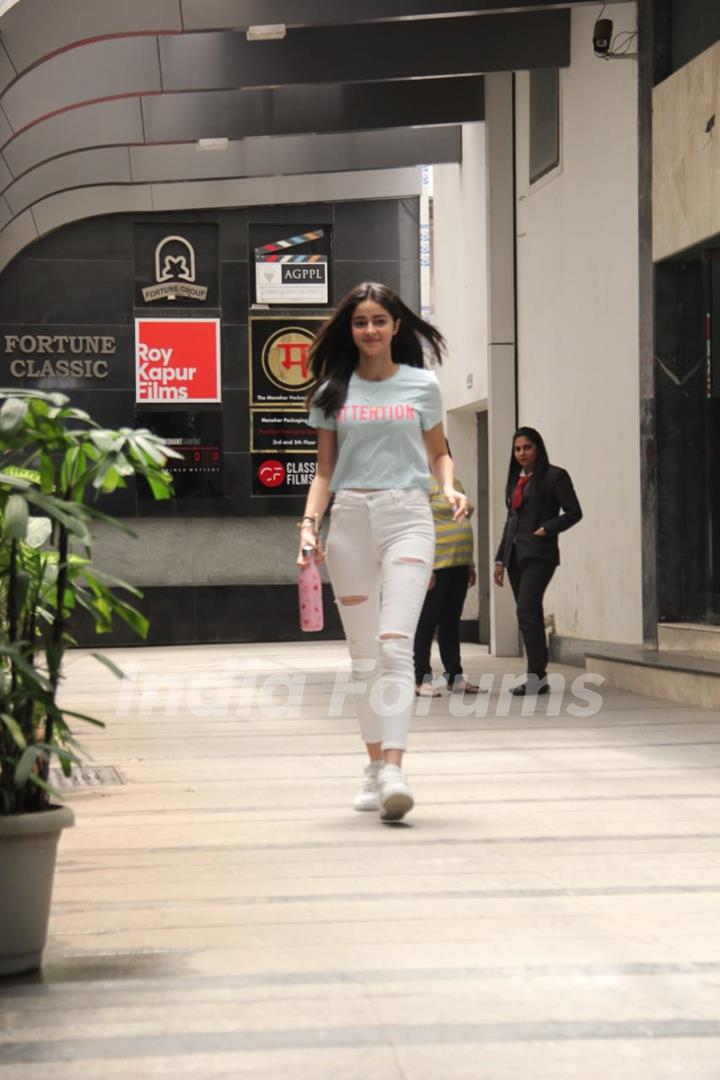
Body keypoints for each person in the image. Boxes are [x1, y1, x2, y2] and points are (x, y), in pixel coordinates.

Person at [298, 282, 467, 822]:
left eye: (379, 320)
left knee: (397, 645)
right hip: (348, 521)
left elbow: (438, 453)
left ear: (397, 327)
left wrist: (450, 486)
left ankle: (395, 768)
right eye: (360, 322)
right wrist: (308, 525)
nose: (369, 330)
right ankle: (372, 767)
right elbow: (324, 470)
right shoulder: (332, 391)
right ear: (350, 329)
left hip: (408, 519)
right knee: (364, 657)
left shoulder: (422, 385)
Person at [493, 426, 582, 695]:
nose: (522, 453)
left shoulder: (555, 476)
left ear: (538, 448)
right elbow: (511, 521)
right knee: (529, 613)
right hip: (515, 555)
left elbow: (574, 512)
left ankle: (536, 677)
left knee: (527, 610)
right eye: (518, 449)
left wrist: (548, 528)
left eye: (527, 447)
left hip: (540, 554)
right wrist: (500, 559)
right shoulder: (515, 479)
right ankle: (538, 675)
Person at [413, 466, 483, 697]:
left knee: (451, 622)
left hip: (459, 563)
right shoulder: (422, 483)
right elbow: (419, 526)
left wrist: (470, 563)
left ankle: (455, 678)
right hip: (437, 565)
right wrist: (427, 565)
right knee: (427, 622)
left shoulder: (456, 483)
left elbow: (462, 523)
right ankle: (421, 679)